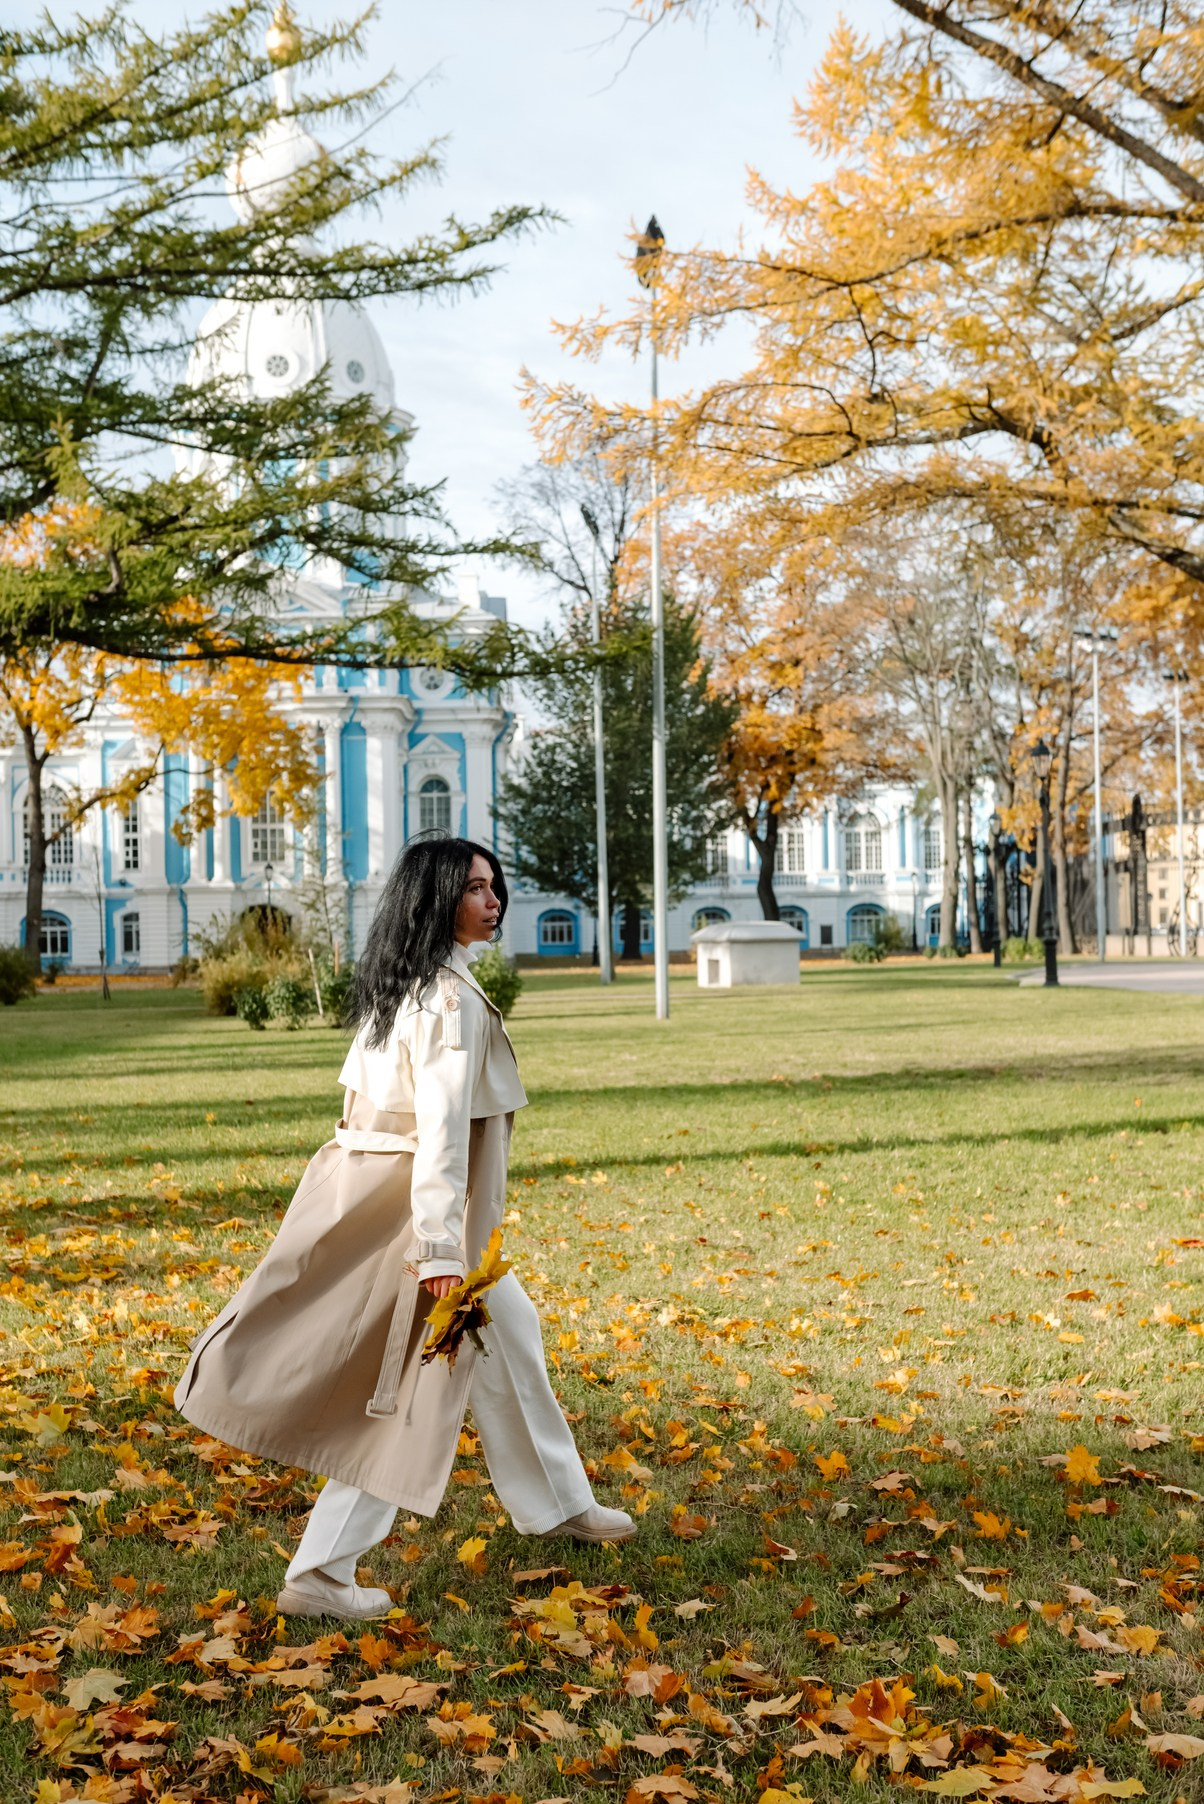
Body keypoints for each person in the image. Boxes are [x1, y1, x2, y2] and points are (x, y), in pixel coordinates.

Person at [175, 837, 634, 1618]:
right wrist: (439, 1253)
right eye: (477, 889)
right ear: (438, 900)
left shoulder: (406, 989)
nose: (495, 901)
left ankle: (558, 1501)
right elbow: (443, 1138)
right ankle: (320, 1575)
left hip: (396, 1207)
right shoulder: (447, 1008)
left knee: (512, 1339)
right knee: (406, 1388)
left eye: (496, 887)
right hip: (417, 1224)